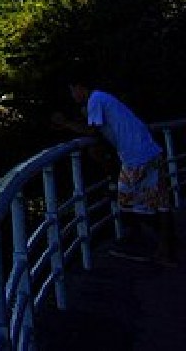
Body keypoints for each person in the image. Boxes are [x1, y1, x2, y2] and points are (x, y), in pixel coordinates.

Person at [54, 77, 177, 265]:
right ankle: (165, 248)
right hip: (149, 151)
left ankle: (148, 245)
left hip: (136, 158)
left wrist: (65, 123)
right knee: (158, 201)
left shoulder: (95, 100)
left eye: (72, 90)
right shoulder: (103, 98)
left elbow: (92, 131)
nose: (73, 96)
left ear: (80, 87)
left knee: (127, 202)